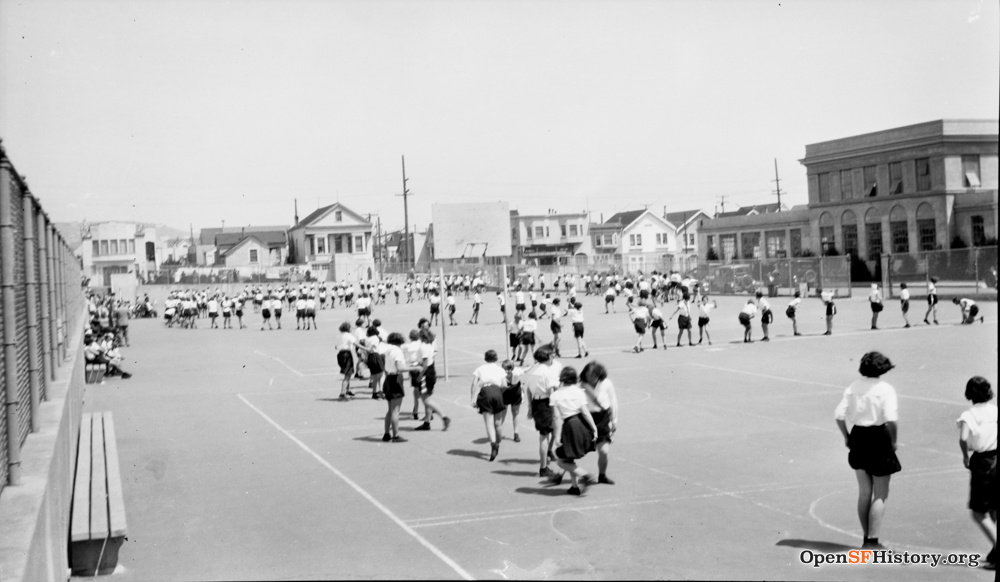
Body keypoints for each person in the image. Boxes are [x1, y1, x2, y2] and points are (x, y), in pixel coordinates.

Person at [834, 351, 901, 550]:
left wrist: (847, 436)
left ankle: (866, 537)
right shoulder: (885, 389)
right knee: (881, 493)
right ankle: (872, 540)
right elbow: (891, 419)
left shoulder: (853, 386)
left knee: (864, 492)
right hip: (879, 437)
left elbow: (839, 415)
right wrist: (893, 440)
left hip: (858, 435)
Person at [956, 376, 997, 569]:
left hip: (983, 462)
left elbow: (963, 438)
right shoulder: (995, 410)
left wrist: (965, 456)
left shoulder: (969, 414)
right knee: (994, 507)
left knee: (979, 512)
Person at [548, 367, 598, 496]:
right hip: (581, 424)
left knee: (561, 461)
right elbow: (585, 412)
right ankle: (574, 487)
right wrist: (594, 427)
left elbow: (556, 418)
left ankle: (585, 475)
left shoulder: (555, 395)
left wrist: (557, 436)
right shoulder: (579, 392)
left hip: (569, 426)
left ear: (562, 378)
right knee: (568, 458)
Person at [521, 348, 560, 477]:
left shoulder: (533, 370)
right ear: (547, 357)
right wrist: (555, 409)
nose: (552, 358)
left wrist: (530, 407)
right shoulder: (547, 372)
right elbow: (552, 391)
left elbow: (528, 390)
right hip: (546, 403)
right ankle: (543, 467)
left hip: (536, 403)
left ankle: (546, 457)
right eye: (551, 356)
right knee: (544, 436)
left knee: (546, 433)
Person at [580, 362, 619, 485]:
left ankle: (602, 475)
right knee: (575, 449)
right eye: (588, 375)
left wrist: (614, 420)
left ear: (599, 375)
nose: (590, 378)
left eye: (593, 375)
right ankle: (564, 472)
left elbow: (613, 401)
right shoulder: (581, 385)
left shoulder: (607, 383)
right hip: (585, 418)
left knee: (604, 451)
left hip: (602, 418)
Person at [471, 350, 509, 461]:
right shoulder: (500, 370)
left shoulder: (480, 369)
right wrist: (499, 391)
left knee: (489, 423)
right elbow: (504, 385)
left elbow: (474, 384)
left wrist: (473, 398)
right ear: (496, 358)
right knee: (498, 423)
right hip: (497, 392)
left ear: (485, 358)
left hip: (486, 393)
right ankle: (498, 442)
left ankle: (493, 444)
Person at [381, 332, 416, 443]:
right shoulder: (397, 351)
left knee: (390, 409)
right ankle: (395, 435)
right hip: (396, 379)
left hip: (388, 378)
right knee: (396, 410)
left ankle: (387, 433)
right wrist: (415, 368)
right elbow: (400, 368)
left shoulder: (387, 350)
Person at [414, 329, 451, 432]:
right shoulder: (429, 345)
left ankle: (444, 417)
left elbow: (425, 364)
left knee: (426, 400)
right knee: (427, 399)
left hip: (426, 374)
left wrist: (419, 376)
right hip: (430, 371)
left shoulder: (423, 347)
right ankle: (427, 422)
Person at [500, 359, 524, 444]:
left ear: (512, 369)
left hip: (515, 392)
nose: (507, 371)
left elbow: (526, 369)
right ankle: (499, 433)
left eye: (509, 369)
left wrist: (533, 365)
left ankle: (516, 433)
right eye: (505, 369)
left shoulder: (517, 372)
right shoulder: (500, 375)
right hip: (504, 393)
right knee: (503, 414)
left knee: (515, 412)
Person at [337, 322, 357, 400]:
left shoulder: (339, 335)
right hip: (346, 354)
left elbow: (336, 346)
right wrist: (365, 348)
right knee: (348, 374)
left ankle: (347, 390)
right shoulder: (348, 335)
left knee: (348, 373)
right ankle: (342, 393)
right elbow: (356, 343)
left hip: (340, 354)